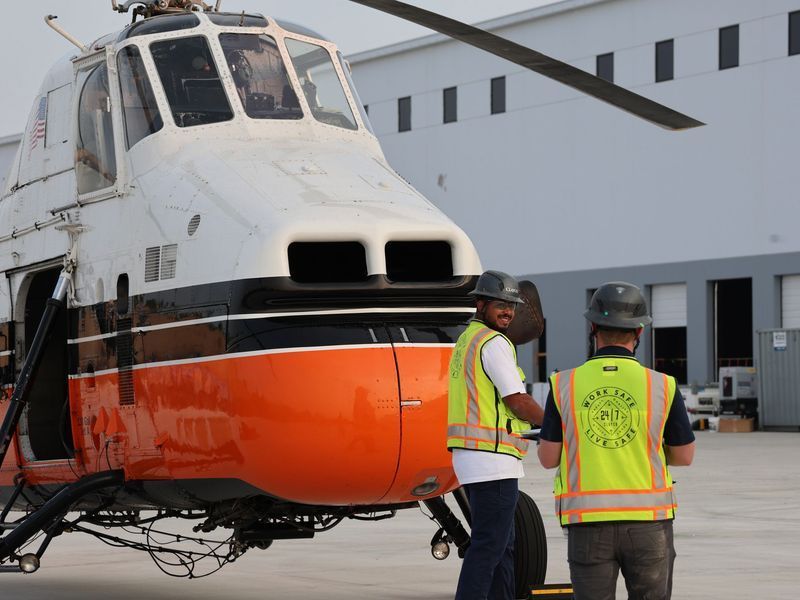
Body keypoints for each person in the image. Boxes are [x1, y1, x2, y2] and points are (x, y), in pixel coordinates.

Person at [537, 282, 696, 600]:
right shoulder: (662, 385)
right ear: (639, 332)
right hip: (649, 524)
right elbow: (684, 456)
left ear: (593, 326)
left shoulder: (564, 385)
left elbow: (548, 458)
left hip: (588, 525)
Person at [448, 270, 545, 600]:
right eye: (501, 304)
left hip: (475, 458)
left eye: (512, 306)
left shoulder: (467, 340)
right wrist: (557, 424)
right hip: (491, 459)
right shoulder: (494, 343)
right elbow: (516, 400)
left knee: (502, 548)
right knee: (489, 548)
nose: (508, 311)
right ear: (480, 304)